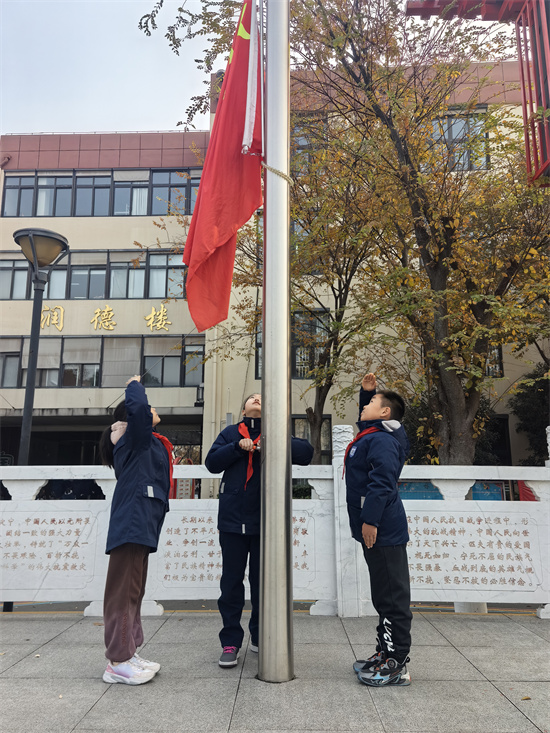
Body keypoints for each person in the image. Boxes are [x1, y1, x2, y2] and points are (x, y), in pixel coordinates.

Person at [205, 393, 314, 668]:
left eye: (261, 398)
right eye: (252, 398)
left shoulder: (277, 431)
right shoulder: (230, 432)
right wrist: (237, 448)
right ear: (243, 408)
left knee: (261, 583)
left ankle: (258, 634)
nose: (256, 400)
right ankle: (230, 641)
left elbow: (306, 454)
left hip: (267, 521)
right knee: (230, 584)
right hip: (232, 521)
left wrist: (274, 442)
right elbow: (211, 463)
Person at [98, 376, 173, 685]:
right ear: (130, 418)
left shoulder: (143, 440)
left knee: (133, 590)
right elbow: (139, 407)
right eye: (148, 408)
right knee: (123, 592)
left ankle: (128, 652)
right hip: (132, 523)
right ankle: (117, 661)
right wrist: (132, 384)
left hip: (141, 523)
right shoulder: (135, 437)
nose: (152, 410)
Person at [344, 372, 412, 687]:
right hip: (376, 528)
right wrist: (366, 392)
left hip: (383, 528)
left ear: (385, 413)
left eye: (371, 403)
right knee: (382, 594)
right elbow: (367, 422)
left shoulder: (382, 440)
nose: (365, 406)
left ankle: (396, 662)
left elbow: (382, 481)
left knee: (392, 596)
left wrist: (370, 520)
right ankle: (385, 653)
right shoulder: (374, 434)